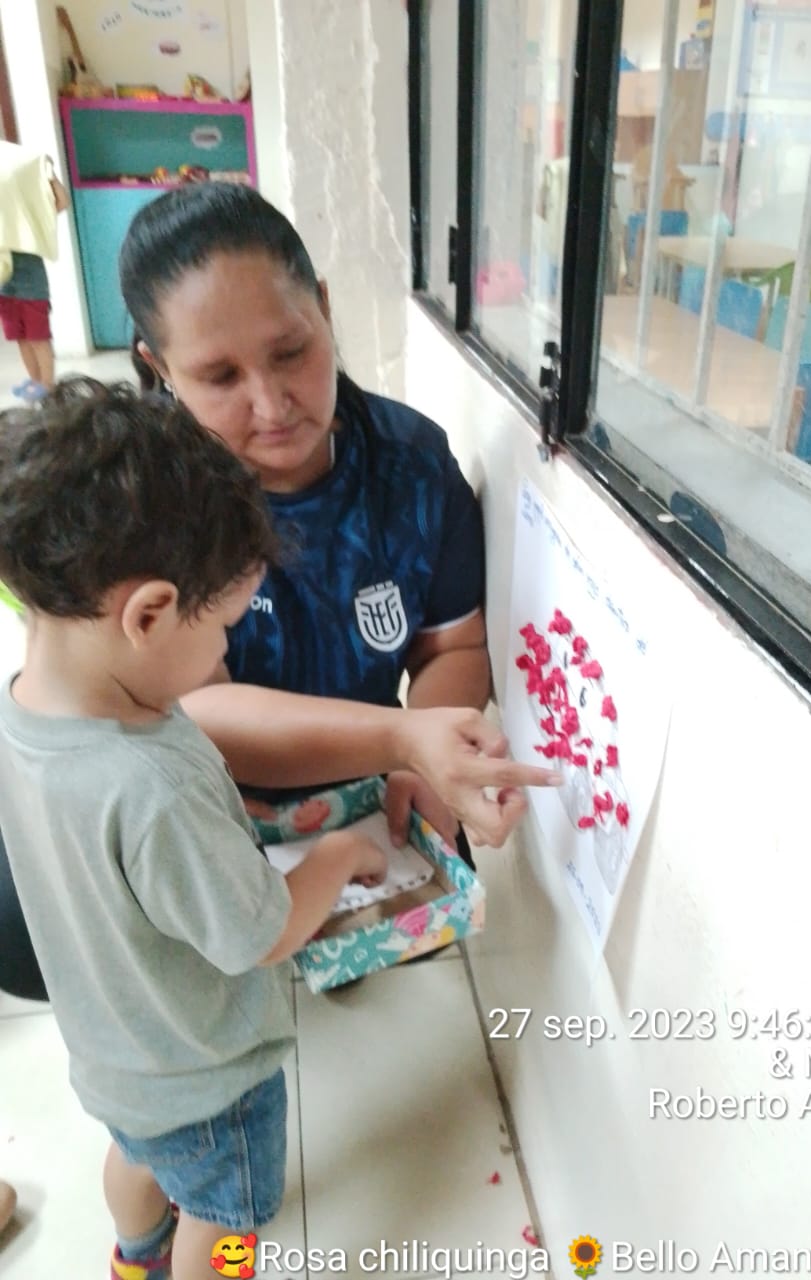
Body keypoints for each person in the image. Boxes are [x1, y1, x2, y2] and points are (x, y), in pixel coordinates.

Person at [0, 183, 561, 1000]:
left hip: (360, 781)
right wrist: (403, 740)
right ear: (158, 367)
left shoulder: (411, 469)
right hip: (188, 798)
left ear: (324, 309)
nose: (271, 404)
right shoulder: (139, 510)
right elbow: (197, 713)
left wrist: (423, 756)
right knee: (37, 934)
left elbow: (455, 644)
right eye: (219, 375)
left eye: (291, 351)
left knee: (417, 895)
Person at [0, 378, 392, 1278]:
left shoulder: (23, 709)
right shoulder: (156, 785)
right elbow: (262, 934)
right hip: (208, 1080)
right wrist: (339, 853)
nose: (224, 653)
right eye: (221, 628)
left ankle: (134, 1258)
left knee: (137, 1160)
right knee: (224, 1213)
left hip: (111, 1055)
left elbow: (109, 863)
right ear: (147, 614)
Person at [0, 146, 70, 401]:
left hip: (28, 272)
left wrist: (49, 173)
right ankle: (34, 383)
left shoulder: (28, 210)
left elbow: (62, 202)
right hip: (3, 275)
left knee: (37, 334)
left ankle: (48, 387)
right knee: (19, 335)